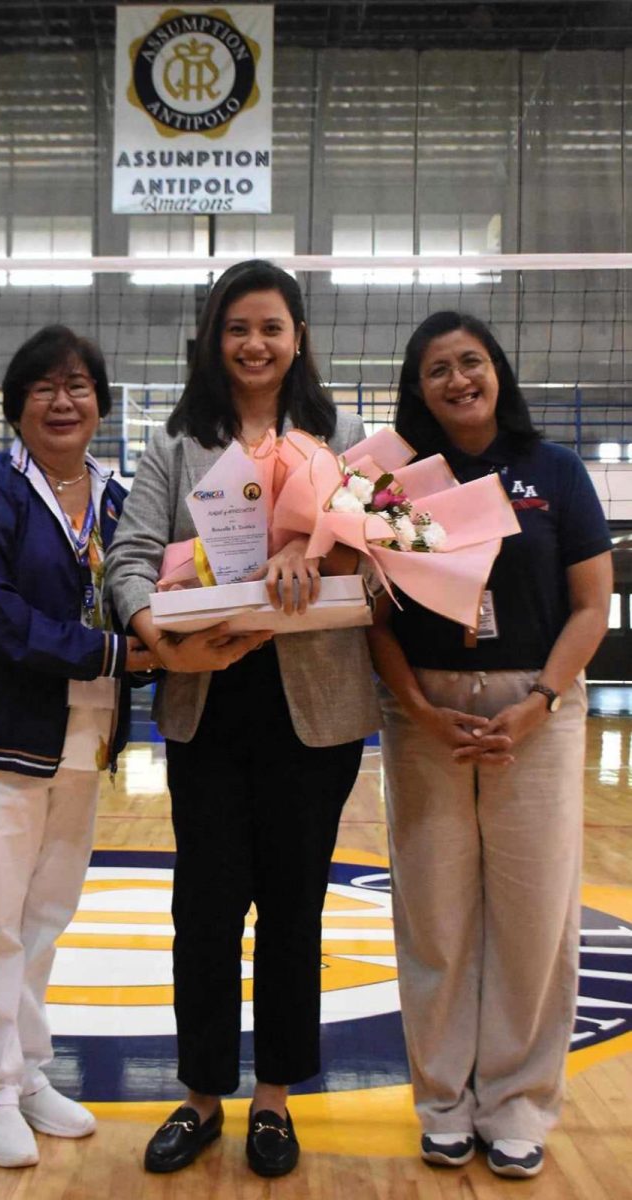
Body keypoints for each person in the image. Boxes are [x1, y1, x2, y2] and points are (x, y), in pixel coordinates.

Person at [106, 260, 380, 1178]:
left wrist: (317, 547)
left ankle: (274, 1101)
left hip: (315, 711)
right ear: (212, 341)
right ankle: (200, 1097)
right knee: (206, 908)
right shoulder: (175, 446)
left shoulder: (343, 440)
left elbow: (377, 557)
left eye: (271, 326)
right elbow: (130, 557)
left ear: (299, 338)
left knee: (294, 908)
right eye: (237, 327)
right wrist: (156, 635)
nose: (254, 343)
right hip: (207, 700)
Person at [367, 311, 611, 1179]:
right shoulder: (395, 484)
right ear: (418, 389)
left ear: (498, 371)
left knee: (534, 915)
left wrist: (542, 702)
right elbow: (375, 619)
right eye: (437, 369)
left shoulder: (556, 471)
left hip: (535, 710)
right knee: (434, 912)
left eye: (471, 362)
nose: (458, 379)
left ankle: (517, 1104)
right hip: (425, 715)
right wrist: (418, 708)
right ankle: (443, 1102)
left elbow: (593, 605)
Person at [0, 324, 157, 1170]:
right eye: (44, 387)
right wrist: (110, 652)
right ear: (16, 405)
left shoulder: (118, 498)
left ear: (100, 401)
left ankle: (27, 1072)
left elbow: (147, 591)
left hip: (86, 732)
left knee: (45, 916)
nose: (63, 401)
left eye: (78, 386)